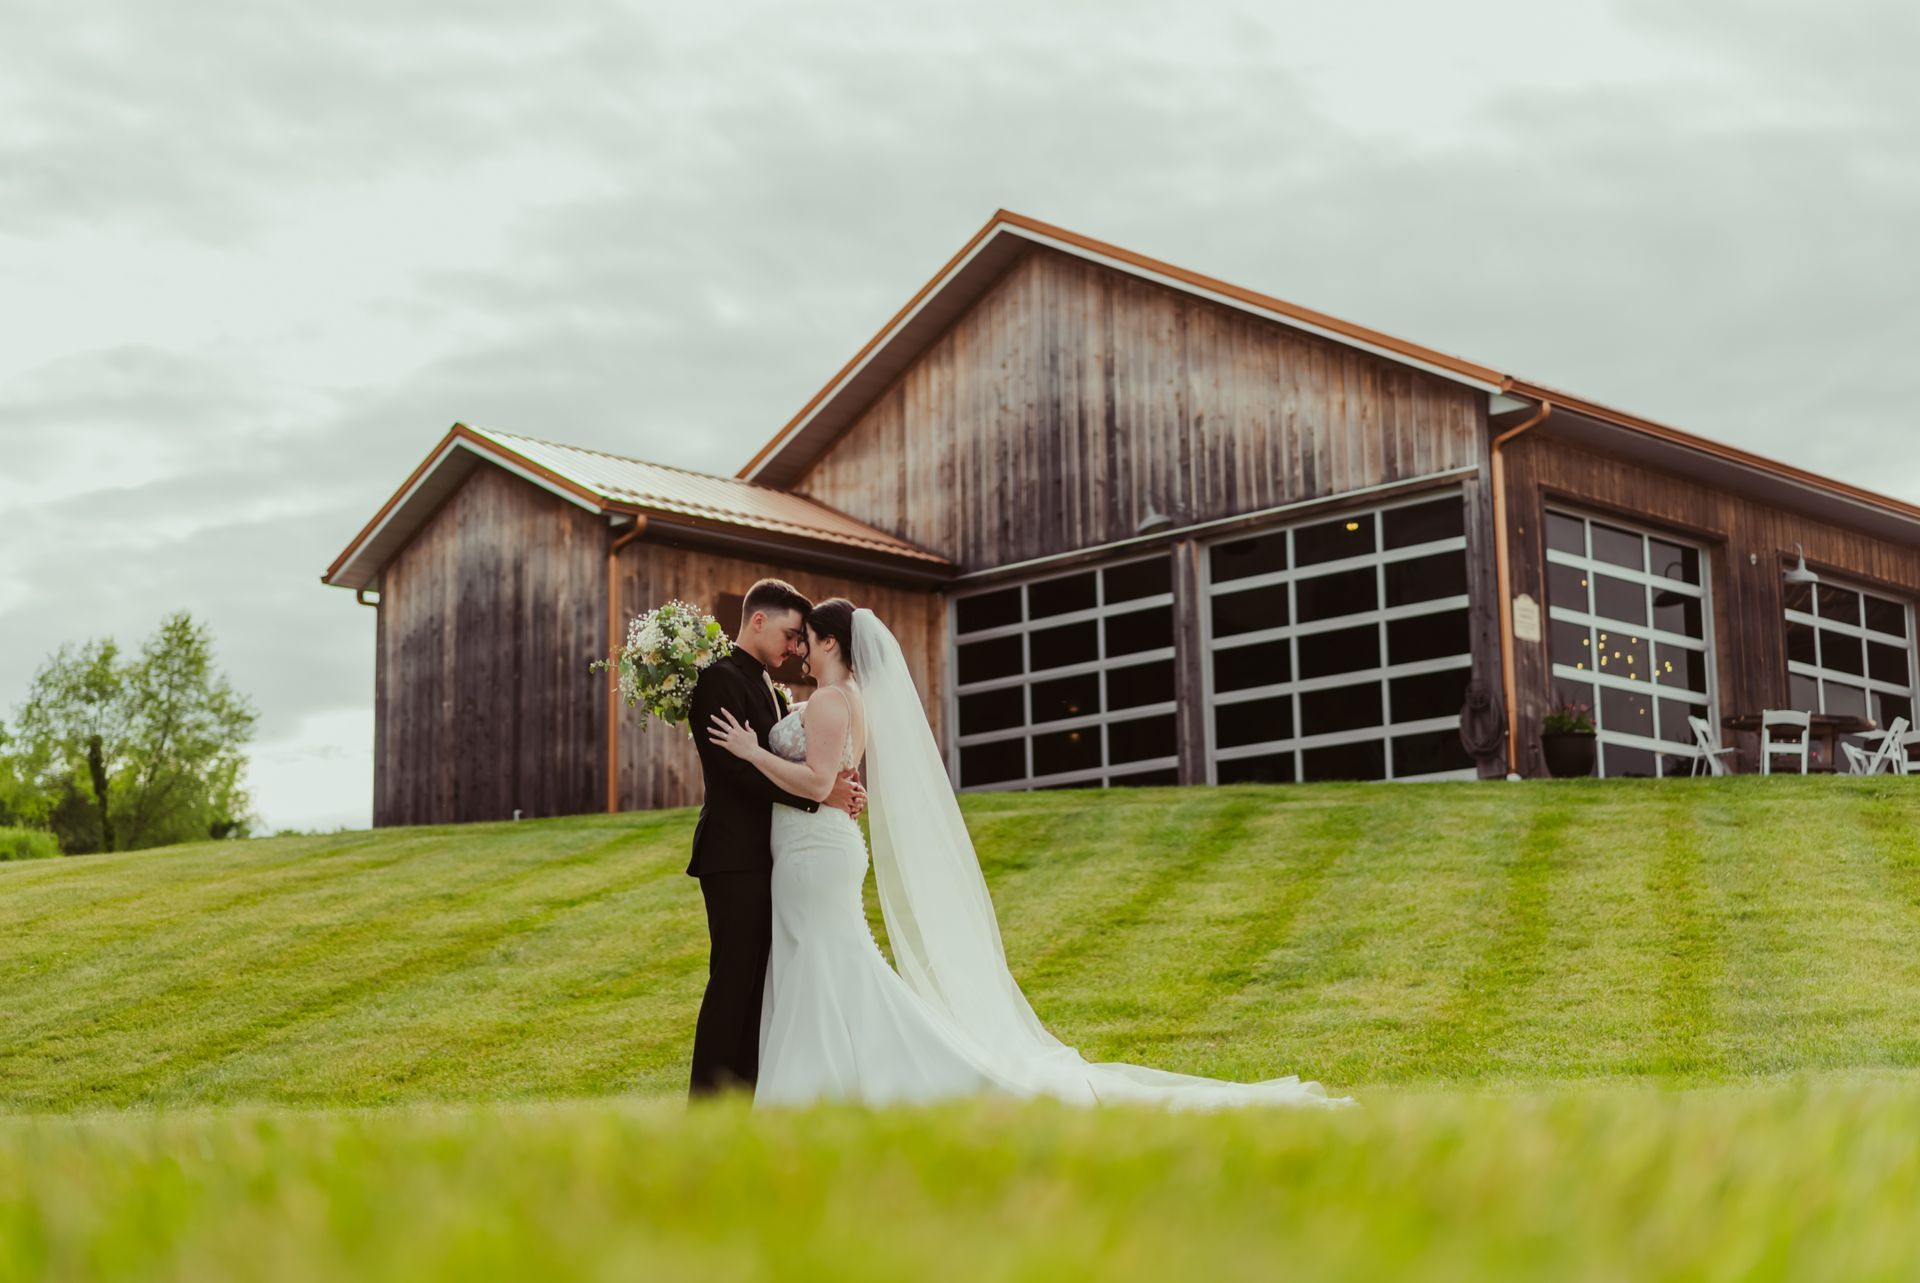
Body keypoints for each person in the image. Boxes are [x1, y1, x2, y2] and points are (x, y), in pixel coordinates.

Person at [708, 597, 1351, 1111]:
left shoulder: (827, 698)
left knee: (825, 960)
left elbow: (820, 784)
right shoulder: (847, 701)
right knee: (825, 960)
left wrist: (752, 752)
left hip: (813, 854)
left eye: (805, 640)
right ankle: (829, 1081)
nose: (797, 650)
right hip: (817, 850)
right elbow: (837, 778)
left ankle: (828, 1086)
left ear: (829, 644)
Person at [684, 578, 865, 1098]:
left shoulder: (768, 683)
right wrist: (820, 795)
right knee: (733, 982)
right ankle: (708, 1106)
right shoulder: (719, 678)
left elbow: (802, 761)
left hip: (774, 854)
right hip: (733, 854)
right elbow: (734, 771)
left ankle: (747, 1095)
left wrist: (833, 785)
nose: (795, 647)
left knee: (763, 986)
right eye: (790, 634)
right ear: (757, 621)